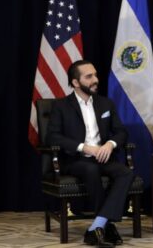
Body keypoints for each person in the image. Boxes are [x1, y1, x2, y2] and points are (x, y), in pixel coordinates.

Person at [46, 60, 134, 248]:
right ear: (76, 82)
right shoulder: (61, 106)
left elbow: (121, 132)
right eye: (89, 77)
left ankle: (97, 226)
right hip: (75, 160)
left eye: (95, 75)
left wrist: (110, 144)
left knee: (126, 172)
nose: (95, 80)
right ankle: (106, 226)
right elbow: (52, 137)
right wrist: (84, 147)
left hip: (103, 157)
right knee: (91, 169)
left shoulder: (105, 104)